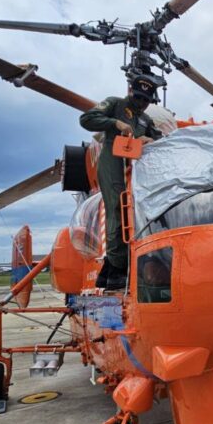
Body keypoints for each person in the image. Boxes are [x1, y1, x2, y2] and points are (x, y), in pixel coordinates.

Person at [79, 77, 162, 290]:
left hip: (135, 170)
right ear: (130, 91)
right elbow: (87, 119)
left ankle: (111, 267)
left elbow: (161, 141)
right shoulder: (115, 104)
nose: (142, 103)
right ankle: (117, 268)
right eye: (139, 97)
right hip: (113, 162)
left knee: (137, 214)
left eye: (146, 100)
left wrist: (149, 140)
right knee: (117, 208)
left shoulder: (145, 120)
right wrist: (115, 123)